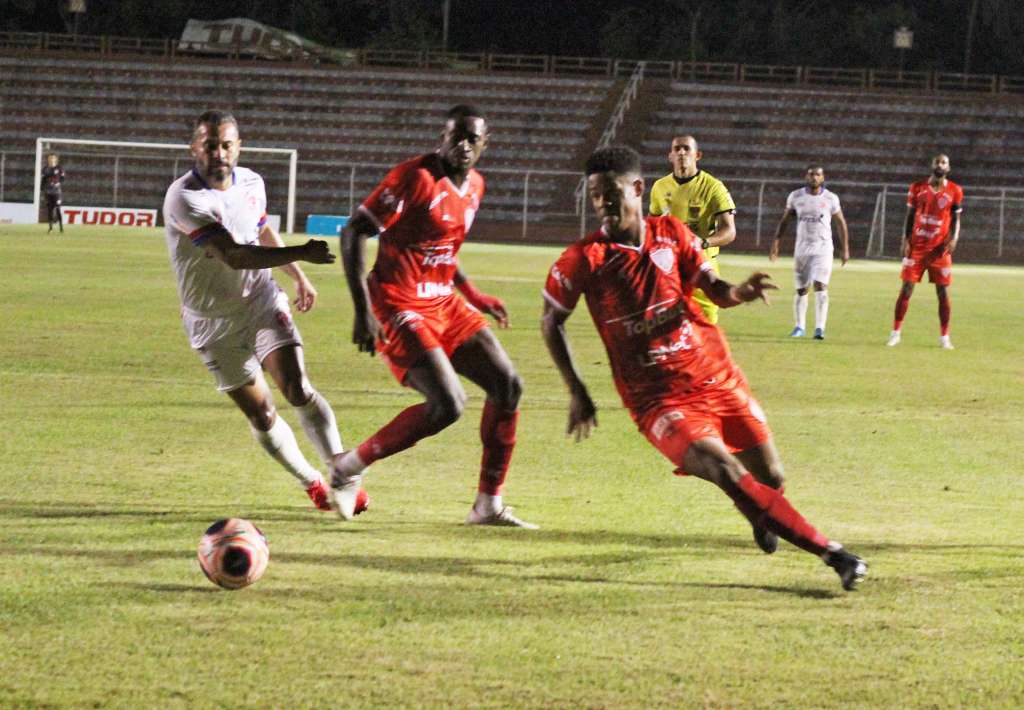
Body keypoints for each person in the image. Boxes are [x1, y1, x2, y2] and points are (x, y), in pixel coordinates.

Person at [541, 146, 867, 591]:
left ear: (637, 189)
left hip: (713, 376)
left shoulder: (671, 234)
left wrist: (739, 293)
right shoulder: (585, 258)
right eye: (596, 196)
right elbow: (550, 320)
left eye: (612, 193)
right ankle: (834, 554)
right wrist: (576, 389)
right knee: (725, 471)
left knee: (772, 477)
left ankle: (764, 513)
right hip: (657, 400)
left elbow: (712, 288)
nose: (603, 204)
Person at [331, 104, 535, 528]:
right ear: (441, 137)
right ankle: (348, 466)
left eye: (471, 139)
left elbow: (442, 248)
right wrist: (361, 311)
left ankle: (487, 506)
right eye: (454, 136)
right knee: (447, 405)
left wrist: (472, 293)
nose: (462, 145)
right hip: (398, 302)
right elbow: (354, 231)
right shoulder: (414, 178)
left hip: (445, 302)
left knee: (508, 386)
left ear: (484, 145)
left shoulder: (476, 186)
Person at [163, 110, 361, 512]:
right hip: (210, 321)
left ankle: (342, 475)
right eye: (209, 145)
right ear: (193, 148)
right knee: (264, 414)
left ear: (238, 147)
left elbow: (258, 229)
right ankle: (313, 482)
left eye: (226, 145)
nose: (218, 153)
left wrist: (297, 275)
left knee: (297, 388)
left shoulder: (253, 182)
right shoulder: (184, 198)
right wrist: (302, 250)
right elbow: (233, 254)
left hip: (260, 301)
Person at [649, 135, 735, 324]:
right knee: (667, 330)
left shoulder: (713, 187)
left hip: (703, 266)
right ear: (670, 156)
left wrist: (703, 242)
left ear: (697, 155)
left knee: (706, 327)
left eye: (686, 149)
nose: (681, 152)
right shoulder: (659, 187)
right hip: (670, 268)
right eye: (677, 149)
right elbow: (653, 226)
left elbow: (729, 231)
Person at [887, 154, 963, 349]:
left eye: (944, 162)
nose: (940, 165)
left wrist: (954, 238)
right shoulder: (917, 187)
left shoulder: (955, 190)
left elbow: (956, 219)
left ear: (949, 167)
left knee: (943, 292)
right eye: (937, 162)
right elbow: (910, 215)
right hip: (917, 248)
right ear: (932, 165)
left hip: (940, 250)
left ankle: (944, 337)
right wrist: (905, 240)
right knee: (906, 289)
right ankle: (895, 333)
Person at [769, 166, 850, 340]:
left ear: (823, 177)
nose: (814, 177)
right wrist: (776, 243)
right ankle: (799, 327)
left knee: (820, 286)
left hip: (823, 248)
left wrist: (845, 249)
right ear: (806, 176)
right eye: (811, 174)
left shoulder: (830, 198)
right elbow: (785, 221)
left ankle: (820, 328)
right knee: (802, 289)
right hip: (802, 249)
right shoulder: (796, 196)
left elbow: (840, 223)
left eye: (818, 174)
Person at [41, 153, 65, 233]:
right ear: (48, 159)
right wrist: (42, 189)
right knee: (50, 209)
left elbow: (62, 178)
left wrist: (58, 183)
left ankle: (61, 227)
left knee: (58, 208)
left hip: (57, 191)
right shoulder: (45, 169)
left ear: (56, 159)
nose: (51, 160)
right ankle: (50, 228)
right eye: (50, 158)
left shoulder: (59, 168)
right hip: (48, 192)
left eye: (53, 158)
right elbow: (43, 180)